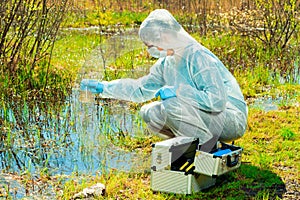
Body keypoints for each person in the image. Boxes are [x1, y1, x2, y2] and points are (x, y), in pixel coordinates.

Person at [80, 9, 248, 152]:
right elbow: (140, 89)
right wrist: (104, 88)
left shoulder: (198, 56)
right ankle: (192, 146)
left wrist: (180, 92)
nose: (150, 50)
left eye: (150, 45)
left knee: (172, 105)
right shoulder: (167, 62)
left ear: (166, 36)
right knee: (149, 112)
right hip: (208, 115)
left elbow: (217, 101)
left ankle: (207, 151)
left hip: (231, 117)